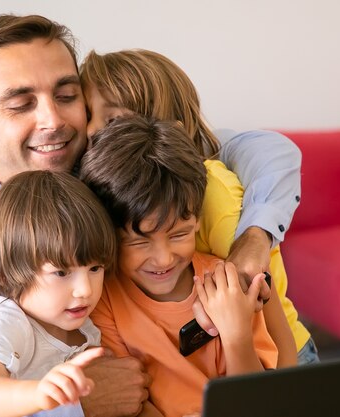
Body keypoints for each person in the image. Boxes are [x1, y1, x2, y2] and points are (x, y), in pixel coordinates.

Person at [0, 14, 304, 417]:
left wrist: (256, 236)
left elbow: (262, 147)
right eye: (21, 104)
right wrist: (73, 406)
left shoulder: (102, 171)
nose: (53, 120)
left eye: (66, 95)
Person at [79, 48, 319, 365]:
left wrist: (286, 372)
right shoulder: (106, 185)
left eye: (112, 120)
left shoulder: (214, 197)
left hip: (275, 354)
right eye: (87, 116)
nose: (91, 131)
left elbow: (259, 287)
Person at [80, 115, 278, 417]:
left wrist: (235, 333)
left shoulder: (227, 285)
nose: (163, 258)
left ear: (196, 221)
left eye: (179, 234)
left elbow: (258, 404)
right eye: (139, 241)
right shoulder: (101, 298)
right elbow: (128, 402)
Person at [0, 170, 116, 416]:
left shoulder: (84, 328)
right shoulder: (7, 321)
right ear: (5, 273)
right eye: (61, 273)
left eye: (95, 268)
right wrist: (38, 394)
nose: (85, 290)